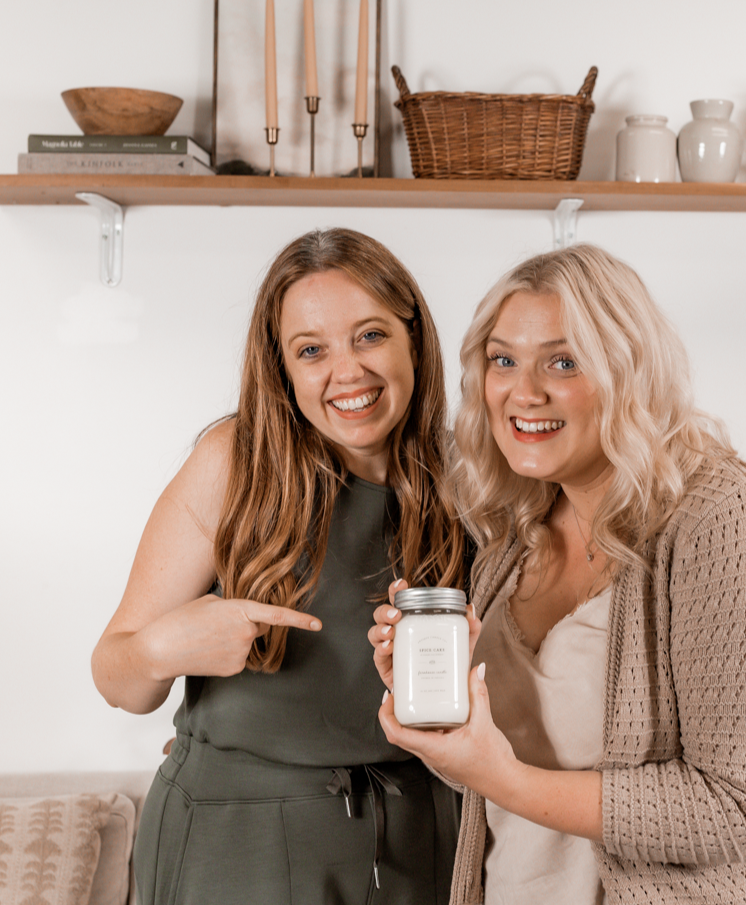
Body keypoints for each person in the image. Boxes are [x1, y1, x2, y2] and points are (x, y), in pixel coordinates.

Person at [371, 243, 746, 904]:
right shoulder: (513, 535)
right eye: (503, 360)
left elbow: (744, 808)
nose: (523, 392)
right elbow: (498, 773)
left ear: (631, 371)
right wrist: (441, 716)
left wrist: (502, 778)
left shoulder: (736, 523)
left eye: (563, 362)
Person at [92, 227, 469, 905]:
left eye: (370, 336)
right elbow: (118, 679)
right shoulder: (231, 463)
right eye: (311, 350)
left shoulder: (470, 478)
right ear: (283, 369)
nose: (346, 372)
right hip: (236, 845)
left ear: (414, 339)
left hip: (420, 839)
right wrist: (163, 647)